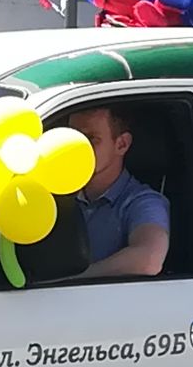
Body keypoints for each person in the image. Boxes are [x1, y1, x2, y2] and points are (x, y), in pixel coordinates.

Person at [68, 104, 169, 278]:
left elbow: (149, 259)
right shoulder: (57, 195)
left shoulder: (142, 202)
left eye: (90, 139)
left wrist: (72, 281)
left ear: (122, 144)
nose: (75, 149)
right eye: (71, 139)